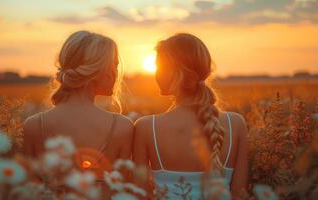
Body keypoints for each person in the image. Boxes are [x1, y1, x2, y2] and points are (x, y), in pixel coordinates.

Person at [133, 33, 248, 199]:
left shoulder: (146, 127)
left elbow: (140, 194)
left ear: (172, 72)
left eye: (158, 66)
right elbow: (239, 194)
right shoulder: (235, 123)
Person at [23, 31, 133, 177]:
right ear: (100, 70)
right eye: (114, 65)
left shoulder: (33, 125)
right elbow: (125, 189)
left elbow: (30, 188)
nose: (116, 72)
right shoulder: (122, 127)